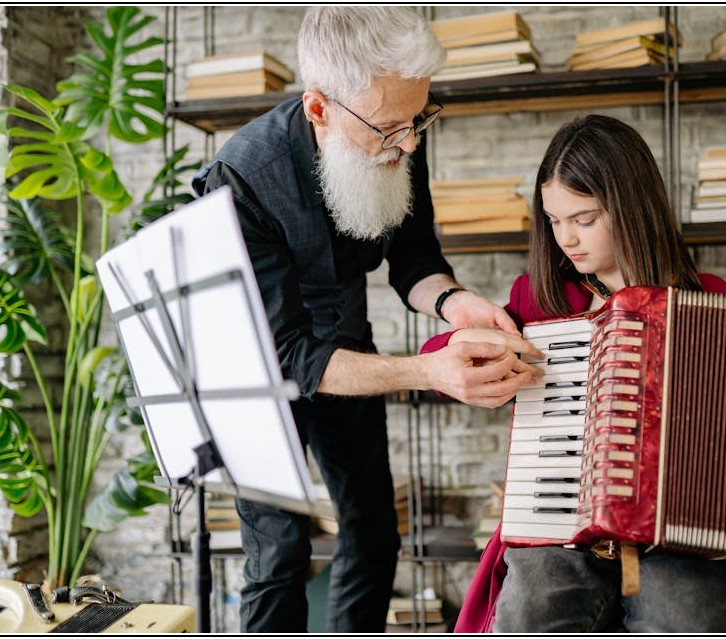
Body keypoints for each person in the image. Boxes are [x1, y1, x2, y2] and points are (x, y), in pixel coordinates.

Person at [191, 7, 543, 633]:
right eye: (388, 130)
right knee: (279, 556)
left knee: (375, 534)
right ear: (319, 109)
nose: (407, 143)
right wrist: (428, 369)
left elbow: (414, 260)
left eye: (416, 121)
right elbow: (290, 355)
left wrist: (454, 303)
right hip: (259, 368)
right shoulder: (244, 177)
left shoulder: (397, 123)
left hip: (347, 345)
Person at [421, 115, 726, 633]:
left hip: (683, 538)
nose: (566, 238)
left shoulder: (712, 301)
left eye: (585, 218)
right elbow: (441, 357)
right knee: (533, 609)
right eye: (553, 219)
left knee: (683, 617)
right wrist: (466, 347)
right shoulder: (543, 300)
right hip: (561, 526)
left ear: (632, 206)